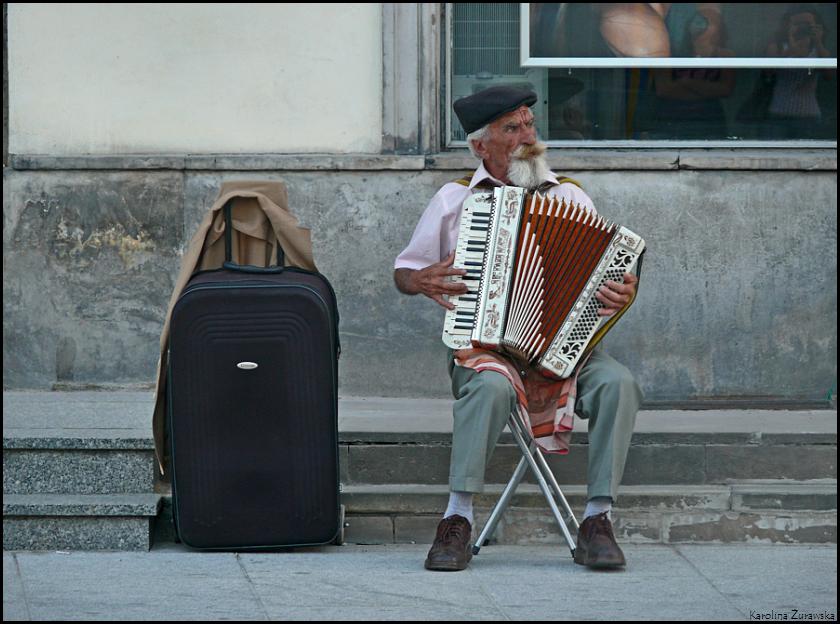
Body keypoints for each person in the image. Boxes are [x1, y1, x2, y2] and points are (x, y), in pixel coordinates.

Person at [393, 86, 643, 571]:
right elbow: (406, 268)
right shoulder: (453, 199)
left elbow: (605, 278)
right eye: (512, 127)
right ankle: (457, 520)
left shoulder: (568, 195)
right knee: (487, 388)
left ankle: (597, 520)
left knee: (619, 384)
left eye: (529, 123)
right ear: (480, 146)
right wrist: (417, 279)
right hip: (482, 346)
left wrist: (622, 293)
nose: (528, 136)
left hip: (564, 349)